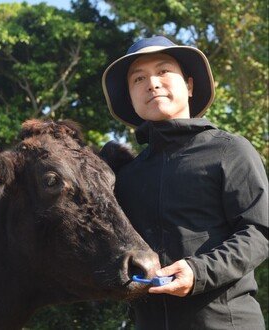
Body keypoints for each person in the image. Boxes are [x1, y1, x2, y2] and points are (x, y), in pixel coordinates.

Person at [102, 35, 268, 329]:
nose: (152, 83)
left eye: (163, 71)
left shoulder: (230, 150)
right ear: (130, 96)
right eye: (138, 79)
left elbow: (259, 232)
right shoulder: (126, 176)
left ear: (189, 85)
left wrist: (198, 272)